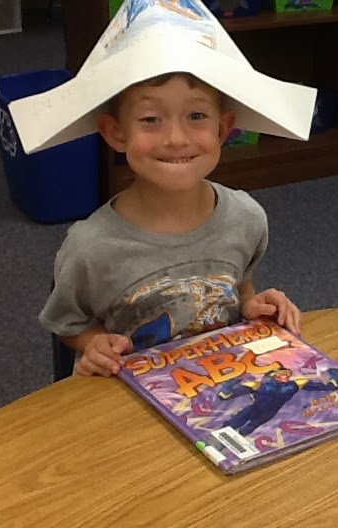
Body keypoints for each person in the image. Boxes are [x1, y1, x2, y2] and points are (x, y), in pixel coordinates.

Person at [39, 72, 302, 377]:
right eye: (151, 119)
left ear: (223, 129)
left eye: (196, 115)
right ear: (116, 133)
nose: (176, 138)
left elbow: (238, 285)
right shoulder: (89, 247)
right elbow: (67, 324)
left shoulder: (246, 218)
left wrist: (252, 304)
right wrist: (95, 343)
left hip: (219, 388)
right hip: (130, 400)